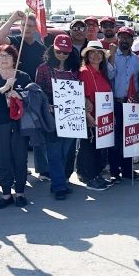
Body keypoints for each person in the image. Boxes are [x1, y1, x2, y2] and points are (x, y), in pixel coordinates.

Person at [0, 45, 32, 208]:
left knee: (20, 158)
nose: (4, 59)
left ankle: (20, 193)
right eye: (1, 55)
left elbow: (34, 96)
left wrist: (21, 95)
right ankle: (6, 194)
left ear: (14, 59)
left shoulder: (23, 76)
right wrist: (3, 89)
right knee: (3, 159)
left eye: (8, 56)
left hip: (19, 123)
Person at [35, 34, 80, 199]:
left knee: (65, 152)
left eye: (65, 52)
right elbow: (37, 92)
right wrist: (46, 105)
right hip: (51, 117)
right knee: (54, 153)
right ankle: (59, 186)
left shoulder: (75, 70)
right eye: (59, 51)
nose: (62, 54)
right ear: (52, 49)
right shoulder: (43, 69)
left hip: (71, 116)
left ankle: (59, 181)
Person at [106, 26, 139, 182]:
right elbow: (109, 74)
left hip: (130, 104)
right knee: (114, 140)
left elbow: (138, 80)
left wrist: (137, 95)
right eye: (121, 37)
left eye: (128, 37)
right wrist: (111, 56)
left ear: (132, 40)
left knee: (129, 138)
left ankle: (128, 170)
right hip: (114, 103)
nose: (124, 40)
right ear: (117, 39)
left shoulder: (136, 59)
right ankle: (114, 171)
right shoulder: (112, 55)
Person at [79, 41, 115, 191]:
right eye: (92, 52)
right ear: (87, 55)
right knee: (89, 149)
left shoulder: (101, 73)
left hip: (103, 118)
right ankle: (90, 178)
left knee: (98, 149)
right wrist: (88, 117)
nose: (96, 55)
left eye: (99, 53)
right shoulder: (84, 72)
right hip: (92, 118)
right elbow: (82, 96)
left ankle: (96, 175)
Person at [0, 11, 47, 77]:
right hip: (14, 84)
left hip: (34, 85)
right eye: (24, 25)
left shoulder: (41, 49)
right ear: (20, 27)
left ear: (36, 29)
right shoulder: (14, 41)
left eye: (30, 26)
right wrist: (12, 19)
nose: (26, 28)